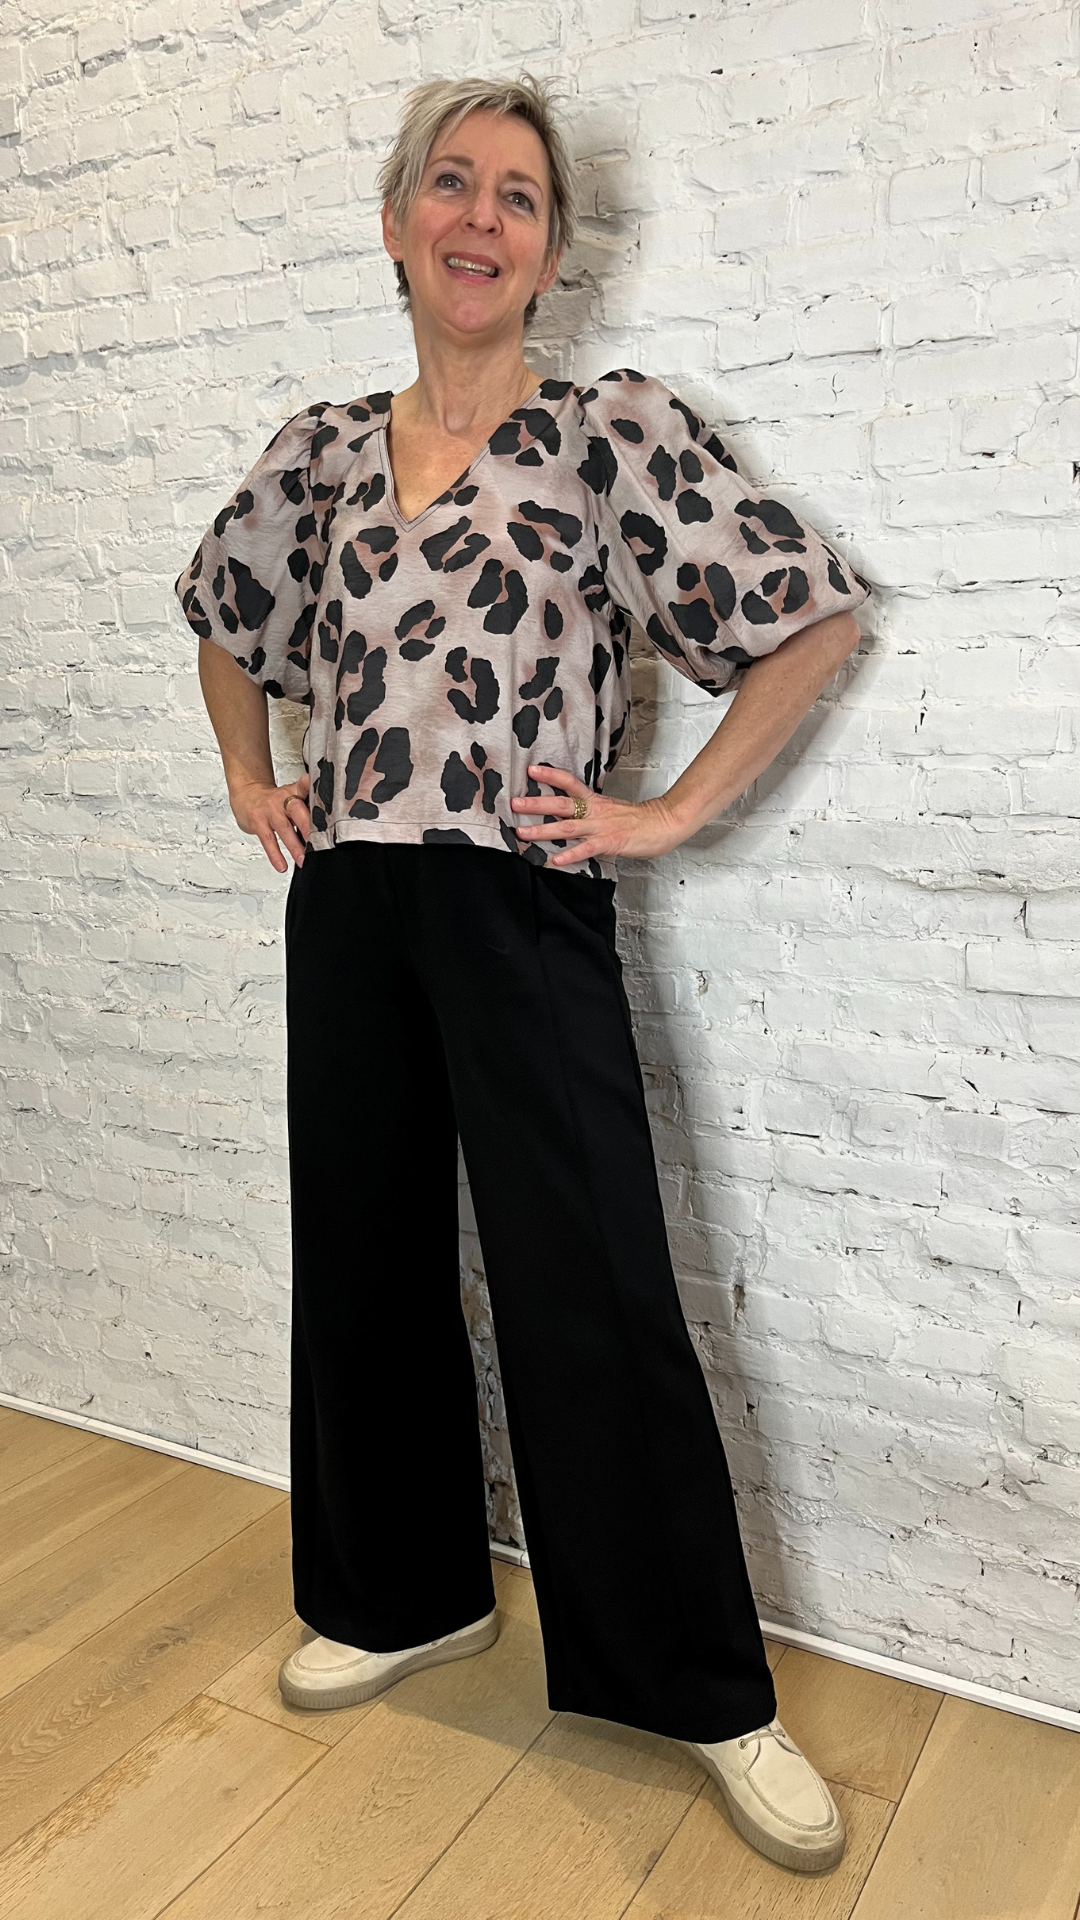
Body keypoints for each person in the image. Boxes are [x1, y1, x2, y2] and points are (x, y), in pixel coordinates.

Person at [176, 73, 871, 1877]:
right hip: (349, 899)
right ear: (397, 222)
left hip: (522, 897)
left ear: (552, 254)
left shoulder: (607, 434)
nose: (480, 218)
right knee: (367, 1255)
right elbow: (227, 618)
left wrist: (669, 814)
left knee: (594, 1282)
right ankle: (401, 1596)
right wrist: (252, 777)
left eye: (519, 197)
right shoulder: (320, 453)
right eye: (452, 183)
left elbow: (809, 619)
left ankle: (698, 1687)